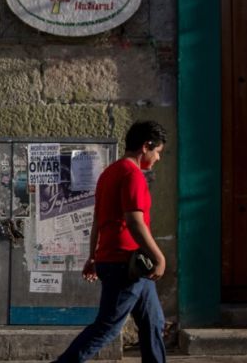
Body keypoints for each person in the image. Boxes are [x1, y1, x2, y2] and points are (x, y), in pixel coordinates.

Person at [55, 120, 168, 363]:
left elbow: (97, 220)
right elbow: (134, 222)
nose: (158, 158)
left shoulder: (109, 173)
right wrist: (159, 257)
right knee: (107, 327)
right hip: (125, 263)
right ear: (146, 146)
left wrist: (93, 256)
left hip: (130, 263)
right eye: (157, 152)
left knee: (153, 322)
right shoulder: (132, 174)